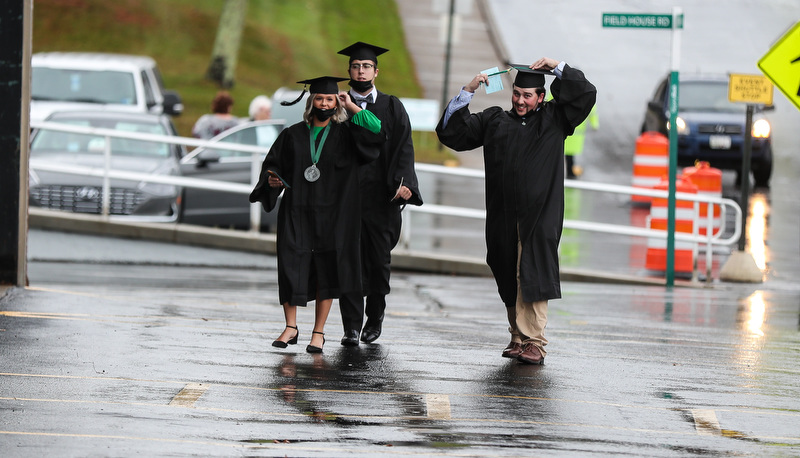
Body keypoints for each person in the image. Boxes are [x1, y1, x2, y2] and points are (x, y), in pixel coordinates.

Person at [436, 58, 596, 365]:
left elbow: (585, 94)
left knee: (533, 273)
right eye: (517, 94)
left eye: (528, 96)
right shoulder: (495, 120)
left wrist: (557, 67)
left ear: (541, 97)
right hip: (503, 214)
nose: (521, 101)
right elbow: (452, 135)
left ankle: (535, 341)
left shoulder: (555, 119)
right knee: (508, 272)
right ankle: (518, 337)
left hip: (539, 216)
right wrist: (468, 91)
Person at [249, 76, 383, 354]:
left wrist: (352, 106)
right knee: (289, 266)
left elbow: (376, 131)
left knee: (326, 271)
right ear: (311, 102)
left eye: (330, 99)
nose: (324, 103)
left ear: (336, 102)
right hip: (297, 212)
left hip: (333, 215)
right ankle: (290, 327)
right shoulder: (292, 134)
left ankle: (318, 332)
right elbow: (273, 166)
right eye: (320, 99)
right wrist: (272, 181)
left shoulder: (346, 134)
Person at [336, 41, 423, 346]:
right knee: (347, 260)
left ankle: (374, 319)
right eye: (356, 66)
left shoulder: (391, 106)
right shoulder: (337, 105)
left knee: (378, 262)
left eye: (366, 66)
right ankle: (350, 326)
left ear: (376, 70)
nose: (361, 71)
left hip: (381, 197)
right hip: (347, 197)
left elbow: (404, 147)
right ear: (349, 70)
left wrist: (406, 182)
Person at [564, 104, 598, 178]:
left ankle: (570, 171)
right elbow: (591, 109)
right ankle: (571, 172)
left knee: (568, 152)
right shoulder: (584, 93)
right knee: (569, 153)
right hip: (576, 130)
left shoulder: (560, 92)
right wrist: (594, 124)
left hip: (566, 128)